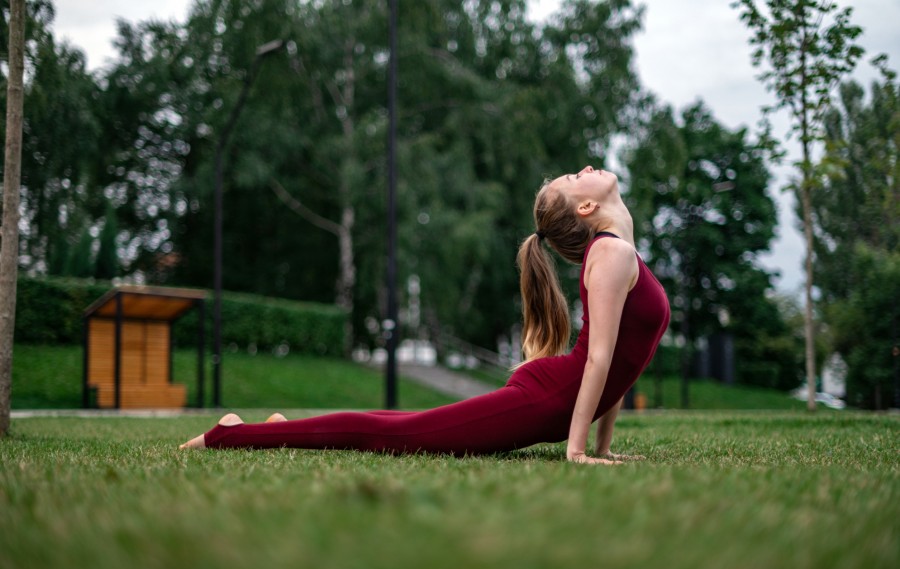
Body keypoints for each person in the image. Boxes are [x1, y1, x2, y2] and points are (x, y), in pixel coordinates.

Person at [181, 166, 670, 465]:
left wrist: (601, 448)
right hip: (546, 400)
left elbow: (616, 368)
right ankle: (232, 435)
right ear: (586, 207)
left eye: (572, 175)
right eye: (575, 176)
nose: (584, 167)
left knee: (404, 425)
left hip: (553, 396)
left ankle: (272, 429)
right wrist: (578, 450)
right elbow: (599, 361)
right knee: (398, 434)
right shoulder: (612, 255)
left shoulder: (618, 253)